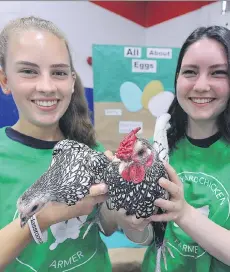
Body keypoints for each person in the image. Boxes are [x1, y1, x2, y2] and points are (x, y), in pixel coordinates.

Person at [102, 25, 230, 271]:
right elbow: (149, 238)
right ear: (177, 79)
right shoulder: (159, 148)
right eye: (190, 72)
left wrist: (184, 214)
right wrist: (132, 223)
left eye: (218, 73)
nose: (201, 85)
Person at [0, 16, 112, 272]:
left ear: (72, 82)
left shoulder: (90, 151)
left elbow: (108, 225)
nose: (47, 86)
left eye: (59, 73)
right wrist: (46, 217)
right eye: (29, 71)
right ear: (5, 80)